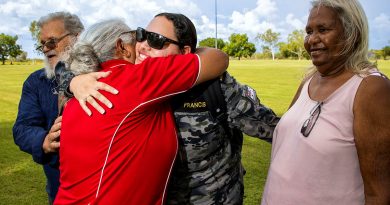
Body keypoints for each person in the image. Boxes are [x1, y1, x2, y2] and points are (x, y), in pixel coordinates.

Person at [66, 13, 279, 204]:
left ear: (185, 52)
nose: (143, 45)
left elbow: (276, 130)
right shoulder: (119, 84)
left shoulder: (216, 87)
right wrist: (73, 82)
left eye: (156, 40)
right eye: (141, 35)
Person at [54, 19, 228, 205]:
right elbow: (218, 58)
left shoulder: (75, 98)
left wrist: (73, 81)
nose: (143, 44)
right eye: (137, 36)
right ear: (122, 47)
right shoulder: (137, 79)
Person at [261, 0, 390, 204]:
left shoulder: (371, 89)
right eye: (309, 31)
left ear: (351, 34)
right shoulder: (308, 81)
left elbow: (378, 193)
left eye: (323, 29)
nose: (312, 39)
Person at [12, 11, 84, 204]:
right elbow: (22, 128)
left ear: (77, 38)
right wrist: (43, 140)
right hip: (59, 187)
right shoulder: (36, 82)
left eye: (51, 42)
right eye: (42, 44)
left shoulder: (102, 73)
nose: (45, 49)